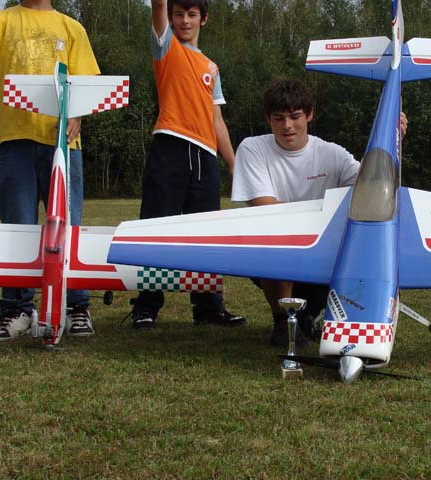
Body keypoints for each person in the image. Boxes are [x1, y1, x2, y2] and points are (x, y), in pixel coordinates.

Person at [232, 79, 407, 347]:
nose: (287, 126)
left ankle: (307, 316)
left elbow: (371, 185)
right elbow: (265, 207)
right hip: (278, 252)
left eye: (295, 117)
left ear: (309, 115)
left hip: (324, 253)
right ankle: (282, 321)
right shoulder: (252, 148)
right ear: (268, 119)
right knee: (275, 233)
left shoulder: (332, 153)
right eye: (278, 118)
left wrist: (393, 142)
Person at [130, 0, 246, 329]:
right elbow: (158, 6)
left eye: (192, 15)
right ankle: (147, 305)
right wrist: (163, 9)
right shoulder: (166, 47)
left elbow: (216, 118)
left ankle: (208, 307)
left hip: (205, 155)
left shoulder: (211, 67)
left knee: (206, 234)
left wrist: (234, 164)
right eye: (178, 14)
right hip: (170, 146)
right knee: (156, 227)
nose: (184, 21)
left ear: (203, 19)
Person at [0, 0, 99, 342]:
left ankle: (76, 306)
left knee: (69, 227)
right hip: (13, 140)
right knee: (17, 228)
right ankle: (16, 309)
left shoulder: (72, 28)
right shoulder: (0, 20)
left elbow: (86, 84)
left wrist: (77, 113)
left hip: (62, 143)